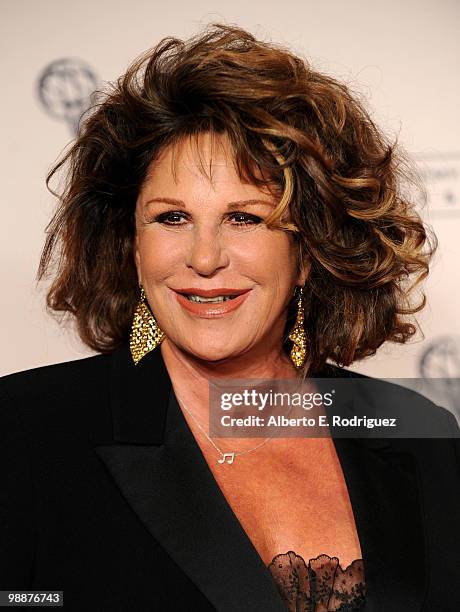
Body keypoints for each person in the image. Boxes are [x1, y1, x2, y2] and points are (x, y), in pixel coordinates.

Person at [1, 22, 459, 612]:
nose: (205, 257)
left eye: (244, 218)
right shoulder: (26, 433)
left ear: (308, 252)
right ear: (132, 247)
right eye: (171, 218)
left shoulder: (418, 432)